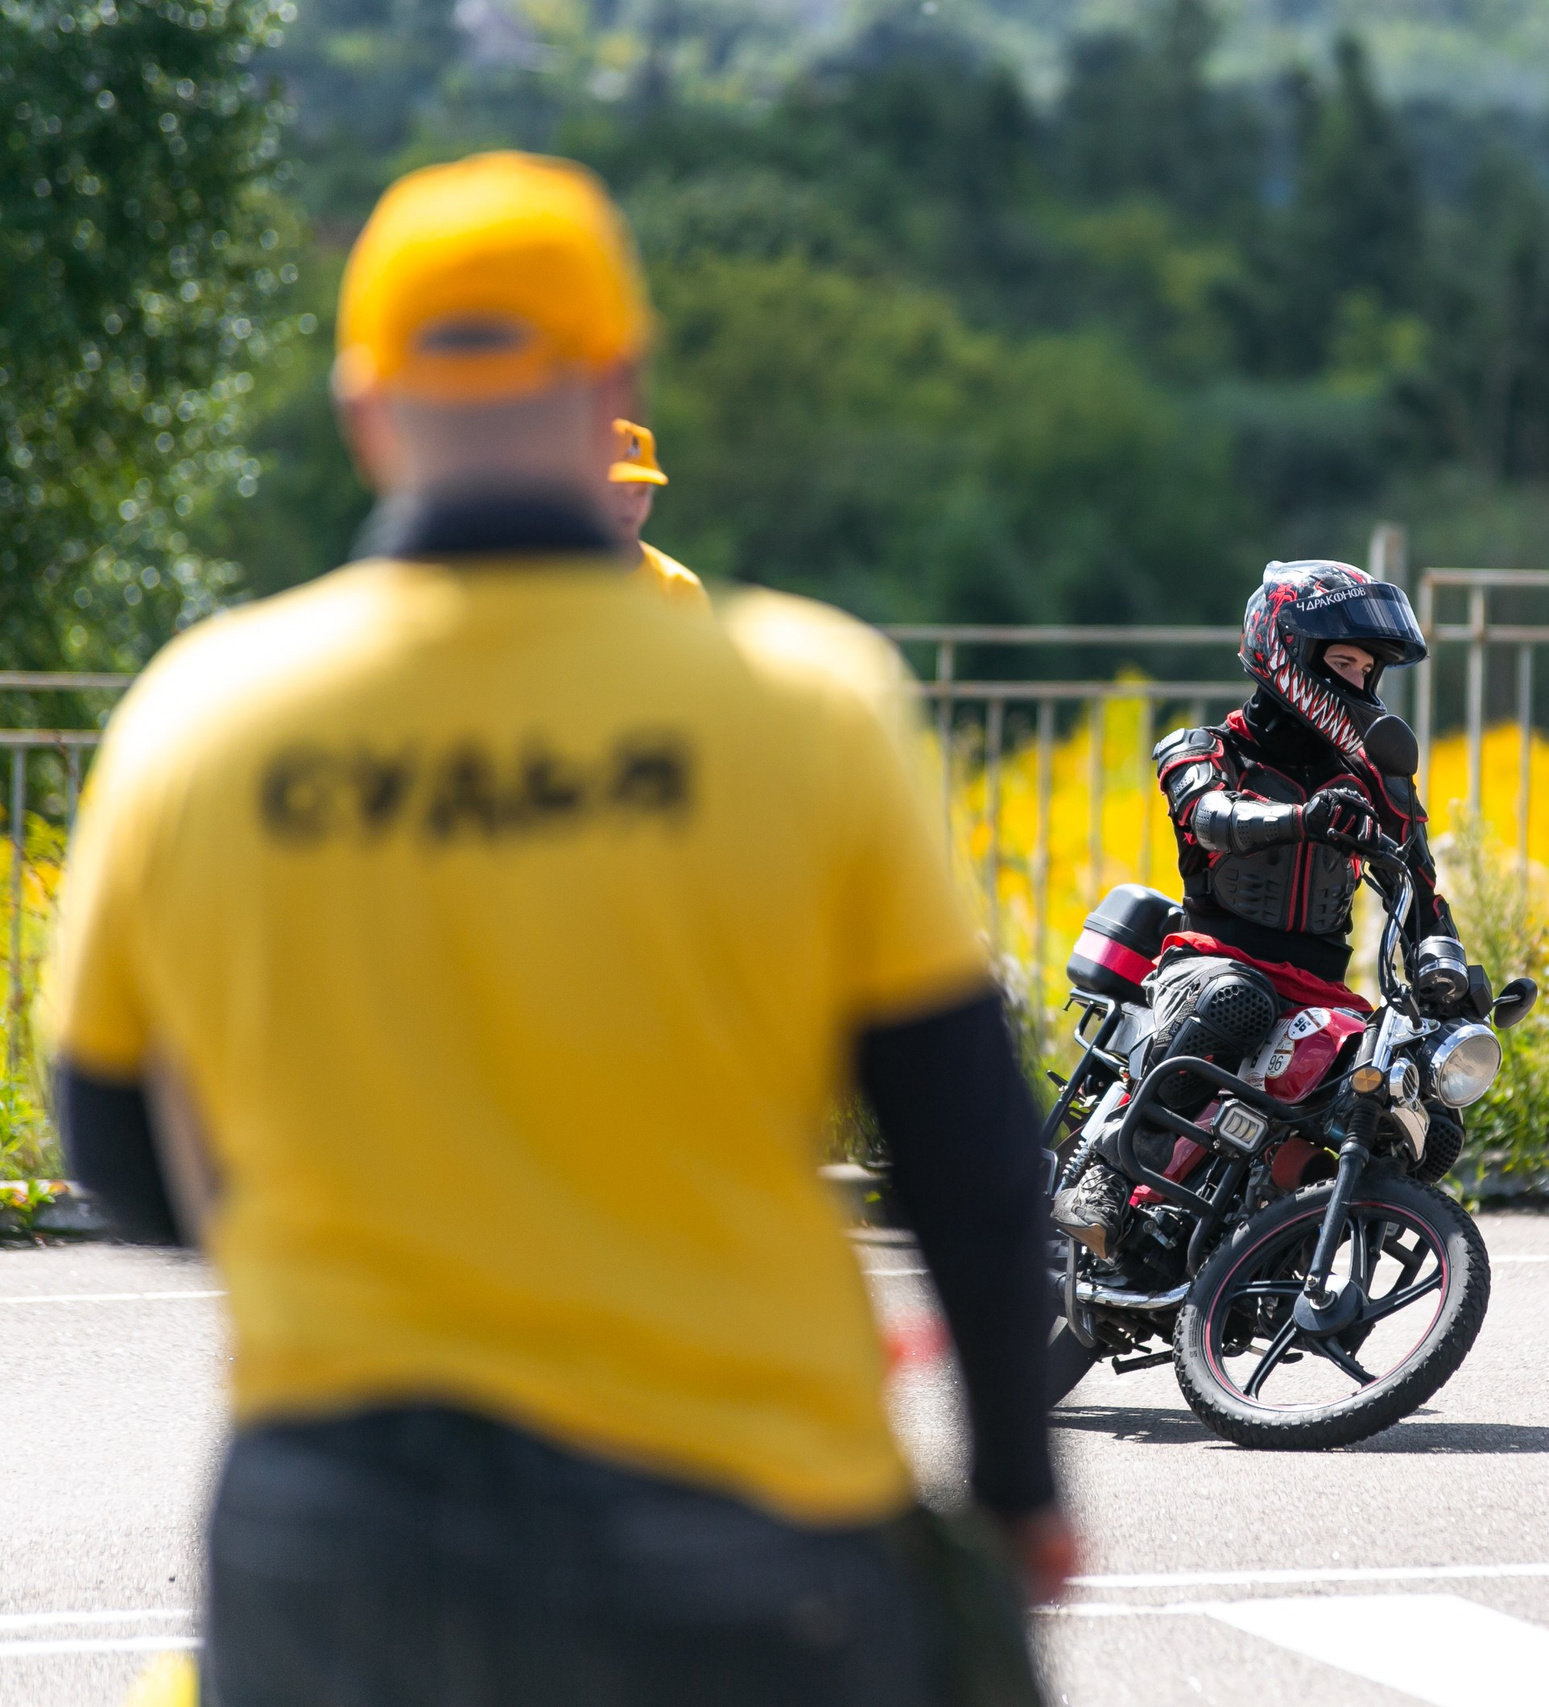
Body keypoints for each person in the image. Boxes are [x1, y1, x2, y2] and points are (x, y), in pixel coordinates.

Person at [44, 149, 1073, 1707]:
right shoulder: (804, 705)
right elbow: (974, 1161)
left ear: (360, 403)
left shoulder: (205, 718)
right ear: (617, 383)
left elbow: (111, 1147)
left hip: (339, 1535)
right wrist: (1014, 1486)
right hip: (747, 1528)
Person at [1053, 559, 1475, 1255]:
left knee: (1421, 1109)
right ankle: (1104, 1174)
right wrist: (1302, 818)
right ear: (1288, 653)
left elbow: (1420, 890)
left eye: (1370, 670)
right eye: (1343, 661)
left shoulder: (1375, 785)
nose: (1359, 683)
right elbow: (1211, 815)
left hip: (1318, 994)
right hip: (1211, 965)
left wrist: (1449, 974)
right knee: (1237, 1001)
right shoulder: (1206, 750)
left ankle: (1275, 1242)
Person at [605, 416, 710, 608]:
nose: (629, 505)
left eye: (641, 492)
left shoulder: (679, 588)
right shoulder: (551, 576)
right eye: (617, 491)